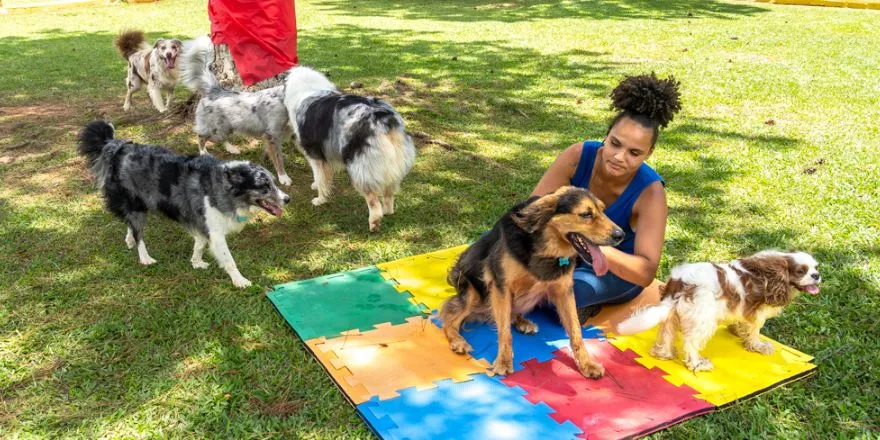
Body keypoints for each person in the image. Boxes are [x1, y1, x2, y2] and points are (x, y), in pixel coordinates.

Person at [532, 73, 682, 322]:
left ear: (649, 153)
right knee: (490, 262)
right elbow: (531, 209)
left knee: (557, 296)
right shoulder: (578, 156)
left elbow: (645, 272)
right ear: (607, 133)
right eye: (615, 143)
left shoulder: (651, 193)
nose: (619, 157)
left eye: (634, 153)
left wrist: (590, 245)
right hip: (564, 250)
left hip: (612, 273)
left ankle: (589, 304)